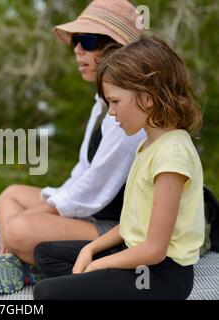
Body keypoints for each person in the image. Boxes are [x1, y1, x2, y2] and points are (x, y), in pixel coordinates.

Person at [0, 0, 145, 294]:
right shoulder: (103, 103)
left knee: (18, 227)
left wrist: (38, 215)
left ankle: (35, 263)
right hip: (92, 215)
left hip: (115, 228)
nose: (77, 49)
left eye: (88, 41)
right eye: (76, 42)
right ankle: (25, 258)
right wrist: (47, 206)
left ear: (115, 49)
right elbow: (83, 171)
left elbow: (93, 191)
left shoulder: (129, 112)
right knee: (10, 196)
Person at [33, 36, 205, 300]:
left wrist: (97, 266)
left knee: (45, 294)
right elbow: (130, 225)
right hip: (136, 256)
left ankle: (76, 284)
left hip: (160, 277)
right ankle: (82, 283)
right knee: (45, 252)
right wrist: (89, 251)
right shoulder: (148, 145)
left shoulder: (172, 155)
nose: (111, 112)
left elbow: (155, 250)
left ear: (147, 99)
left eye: (115, 102)